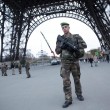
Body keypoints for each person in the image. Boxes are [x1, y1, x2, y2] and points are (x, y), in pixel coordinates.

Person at [55, 22, 87, 108]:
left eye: (66, 27)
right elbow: (57, 51)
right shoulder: (60, 39)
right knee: (66, 81)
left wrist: (74, 46)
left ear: (69, 28)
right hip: (65, 63)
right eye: (63, 28)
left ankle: (79, 94)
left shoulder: (76, 37)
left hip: (75, 61)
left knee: (77, 79)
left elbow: (84, 45)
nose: (64, 28)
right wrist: (62, 46)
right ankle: (68, 99)